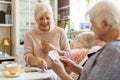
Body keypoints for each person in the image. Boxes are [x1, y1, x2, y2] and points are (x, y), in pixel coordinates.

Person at [51, 1, 120, 80]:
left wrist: (61, 73)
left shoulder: (113, 51)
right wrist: (74, 67)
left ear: (105, 24)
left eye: (93, 23)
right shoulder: (112, 48)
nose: (90, 28)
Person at [24, 1, 70, 72]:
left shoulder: (60, 32)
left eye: (47, 18)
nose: (44, 21)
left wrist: (54, 49)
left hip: (57, 72)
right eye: (41, 18)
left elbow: (68, 55)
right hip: (36, 72)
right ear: (36, 19)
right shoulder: (29, 35)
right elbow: (27, 56)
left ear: (51, 18)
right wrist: (38, 61)